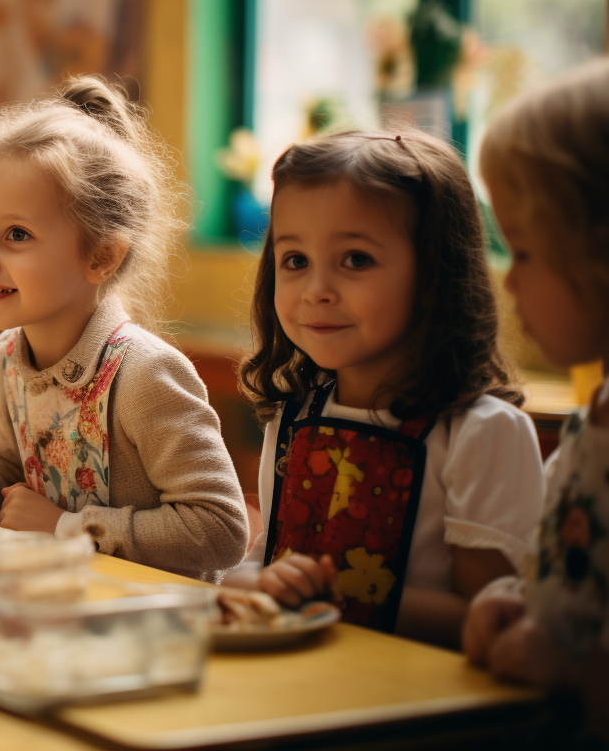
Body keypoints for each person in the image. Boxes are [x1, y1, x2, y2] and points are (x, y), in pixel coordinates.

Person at [0, 76, 248, 580]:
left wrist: (67, 527)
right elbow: (4, 461)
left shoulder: (144, 377)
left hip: (145, 625)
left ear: (103, 255)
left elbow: (221, 530)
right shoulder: (8, 356)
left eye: (16, 235)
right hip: (53, 611)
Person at [221, 129, 544, 648]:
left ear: (434, 277)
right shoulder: (294, 417)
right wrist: (252, 584)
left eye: (356, 260)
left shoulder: (481, 434)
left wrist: (332, 598)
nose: (317, 291)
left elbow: (489, 622)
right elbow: (262, 559)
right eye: (295, 260)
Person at [463, 60, 609, 740]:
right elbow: (566, 575)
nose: (509, 281)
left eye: (523, 252)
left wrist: (572, 670)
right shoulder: (595, 419)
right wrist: (512, 601)